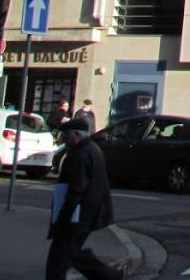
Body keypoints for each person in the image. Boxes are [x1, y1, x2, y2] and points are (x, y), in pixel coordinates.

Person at [45, 117, 122, 280]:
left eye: (65, 136)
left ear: (75, 135)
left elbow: (76, 190)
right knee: (70, 254)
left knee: (59, 257)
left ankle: (111, 276)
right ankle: (111, 276)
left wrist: (63, 218)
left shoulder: (80, 155)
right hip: (87, 213)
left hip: (79, 215)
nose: (64, 140)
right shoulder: (91, 149)